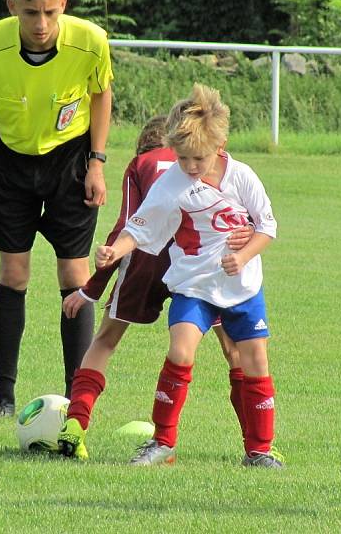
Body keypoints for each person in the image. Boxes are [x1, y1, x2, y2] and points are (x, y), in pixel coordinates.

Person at [94, 84, 283, 468]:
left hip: (242, 289)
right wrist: (116, 249)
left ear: (221, 144)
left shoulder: (242, 176)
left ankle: (260, 450)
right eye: (182, 158)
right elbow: (141, 227)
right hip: (192, 286)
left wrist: (244, 255)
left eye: (198, 158)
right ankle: (162, 442)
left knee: (255, 362)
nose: (191, 167)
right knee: (180, 351)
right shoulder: (172, 183)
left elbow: (267, 226)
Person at [0, 0, 113, 417]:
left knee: (74, 275)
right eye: (31, 13)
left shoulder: (91, 41)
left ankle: (76, 395)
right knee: (14, 274)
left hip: (70, 161)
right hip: (9, 163)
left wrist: (97, 163)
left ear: (64, 2)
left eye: (51, 11)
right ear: (12, 6)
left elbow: (101, 92)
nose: (42, 23)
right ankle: (3, 396)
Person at [57, 116, 256, 459]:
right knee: (235, 353)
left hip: (146, 257)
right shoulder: (208, 162)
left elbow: (127, 225)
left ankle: (75, 425)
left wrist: (91, 289)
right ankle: (256, 446)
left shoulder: (142, 164)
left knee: (105, 340)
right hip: (202, 260)